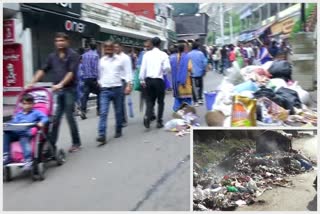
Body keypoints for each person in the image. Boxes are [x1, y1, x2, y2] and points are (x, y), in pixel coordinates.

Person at [27, 32, 82, 153]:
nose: (60, 43)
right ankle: (51, 145)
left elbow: (71, 73)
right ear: (55, 43)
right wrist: (32, 83)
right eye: (57, 41)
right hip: (57, 91)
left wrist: (61, 84)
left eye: (62, 40)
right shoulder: (52, 56)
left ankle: (76, 142)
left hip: (69, 90)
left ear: (67, 42)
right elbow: (43, 69)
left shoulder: (73, 55)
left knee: (69, 116)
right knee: (55, 119)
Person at [96, 41, 132, 146]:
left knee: (118, 111)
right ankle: (102, 134)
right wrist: (100, 83)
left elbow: (128, 72)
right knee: (103, 112)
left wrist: (129, 85)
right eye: (106, 48)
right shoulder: (101, 61)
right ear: (104, 49)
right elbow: (99, 74)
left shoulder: (120, 60)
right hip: (105, 90)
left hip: (117, 88)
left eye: (110, 47)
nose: (108, 49)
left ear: (113, 48)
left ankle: (118, 129)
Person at [3, 94, 49, 170]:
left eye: (29, 104)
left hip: (26, 132)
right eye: (25, 104)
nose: (27, 106)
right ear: (21, 104)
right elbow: (14, 122)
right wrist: (7, 125)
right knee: (6, 134)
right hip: (17, 131)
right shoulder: (19, 114)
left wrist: (41, 122)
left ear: (33, 104)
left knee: (24, 141)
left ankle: (28, 160)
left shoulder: (36, 113)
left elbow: (45, 117)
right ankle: (6, 156)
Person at [139, 37, 171, 129]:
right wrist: (163, 72)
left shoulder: (146, 55)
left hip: (148, 80)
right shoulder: (163, 54)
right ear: (160, 44)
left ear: (152, 44)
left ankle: (147, 117)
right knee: (160, 102)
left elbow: (143, 69)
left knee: (150, 101)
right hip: (158, 80)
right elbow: (167, 68)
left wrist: (142, 80)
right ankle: (159, 122)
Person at [114, 42, 133, 128]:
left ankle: (123, 120)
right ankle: (119, 119)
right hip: (114, 81)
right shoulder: (112, 57)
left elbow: (128, 72)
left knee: (120, 102)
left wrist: (129, 85)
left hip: (123, 81)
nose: (115, 49)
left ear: (121, 48)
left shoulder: (125, 58)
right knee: (116, 102)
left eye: (117, 47)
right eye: (114, 47)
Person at [79, 43, 100, 120]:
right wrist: (97, 79)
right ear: (95, 48)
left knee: (85, 95)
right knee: (99, 93)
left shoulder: (83, 56)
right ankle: (99, 110)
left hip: (86, 78)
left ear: (89, 47)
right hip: (93, 78)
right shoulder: (96, 56)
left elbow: (82, 67)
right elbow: (96, 68)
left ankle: (83, 111)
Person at [170, 43, 193, 111]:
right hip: (185, 81)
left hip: (176, 82)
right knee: (187, 99)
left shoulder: (173, 58)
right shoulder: (187, 57)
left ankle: (177, 111)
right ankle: (187, 112)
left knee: (178, 98)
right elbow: (190, 68)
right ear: (185, 49)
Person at [188, 42, 207, 107]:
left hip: (192, 73)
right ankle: (200, 99)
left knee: (193, 87)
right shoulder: (200, 53)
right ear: (198, 47)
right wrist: (204, 70)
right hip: (200, 72)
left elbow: (187, 64)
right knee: (200, 86)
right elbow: (204, 62)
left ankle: (195, 101)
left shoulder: (189, 54)